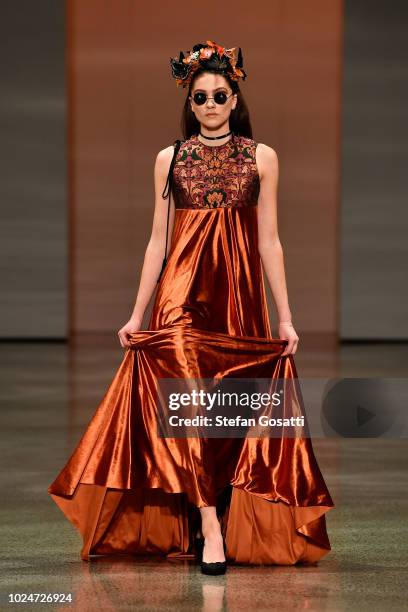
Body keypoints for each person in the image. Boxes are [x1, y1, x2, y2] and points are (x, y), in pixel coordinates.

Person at [48, 40, 334, 576]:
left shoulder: (261, 156)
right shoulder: (170, 158)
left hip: (240, 295)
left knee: (227, 408)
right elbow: (157, 241)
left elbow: (271, 240)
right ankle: (208, 525)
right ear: (190, 101)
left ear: (234, 98)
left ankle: (221, 512)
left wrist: (286, 316)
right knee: (184, 391)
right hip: (181, 293)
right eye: (199, 95)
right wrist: (138, 314)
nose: (208, 104)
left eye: (218, 95)